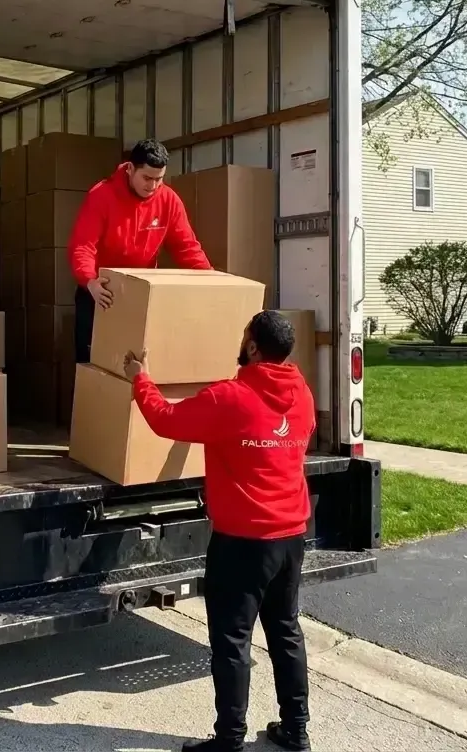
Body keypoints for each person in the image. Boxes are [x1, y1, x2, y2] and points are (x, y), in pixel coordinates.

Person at [122, 311, 315, 752]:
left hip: (243, 541)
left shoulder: (229, 397)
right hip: (290, 537)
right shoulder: (301, 394)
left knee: (231, 641)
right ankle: (296, 732)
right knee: (285, 631)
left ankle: (229, 741)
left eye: (244, 336)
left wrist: (141, 378)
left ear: (251, 347)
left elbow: (165, 419)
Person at [67, 138, 211, 364]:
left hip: (140, 294)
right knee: (93, 364)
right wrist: (90, 280)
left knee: (136, 365)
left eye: (159, 179)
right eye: (147, 178)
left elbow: (186, 246)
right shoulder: (102, 195)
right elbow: (83, 245)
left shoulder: (168, 200)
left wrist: (209, 279)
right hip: (99, 293)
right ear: (130, 169)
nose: (152, 186)